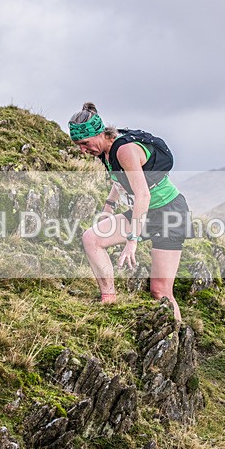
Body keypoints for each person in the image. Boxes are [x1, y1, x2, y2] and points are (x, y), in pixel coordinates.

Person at [68, 102, 190, 322]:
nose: (83, 151)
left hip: (170, 213)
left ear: (99, 133)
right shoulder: (104, 152)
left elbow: (143, 195)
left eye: (85, 144)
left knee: (160, 291)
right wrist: (108, 207)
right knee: (91, 238)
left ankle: (178, 334)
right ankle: (109, 299)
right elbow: (120, 180)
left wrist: (132, 241)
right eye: (78, 145)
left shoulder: (124, 150)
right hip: (144, 212)